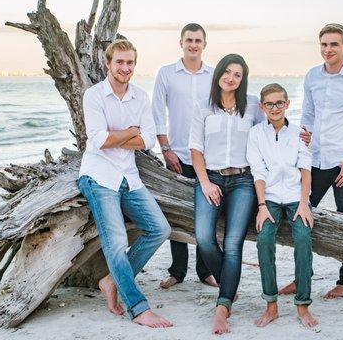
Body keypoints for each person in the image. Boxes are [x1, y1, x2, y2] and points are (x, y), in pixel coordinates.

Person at [77, 39, 173, 328]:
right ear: (108, 64)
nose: (125, 67)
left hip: (129, 177)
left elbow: (148, 140)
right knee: (116, 243)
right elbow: (98, 141)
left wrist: (120, 135)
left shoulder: (141, 98)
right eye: (119, 62)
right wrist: (131, 131)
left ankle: (110, 280)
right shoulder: (94, 96)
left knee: (160, 229)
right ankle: (139, 308)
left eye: (130, 62)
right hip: (98, 176)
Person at [278, 23, 343, 299]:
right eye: (324, 44)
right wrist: (302, 142)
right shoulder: (312, 77)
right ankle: (301, 277)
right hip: (315, 160)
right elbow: (307, 116)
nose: (328, 49)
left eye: (334, 44)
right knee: (301, 217)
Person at [189, 53, 265, 335]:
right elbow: (195, 149)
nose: (231, 78)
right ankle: (229, 284)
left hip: (243, 180)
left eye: (238, 74)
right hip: (210, 178)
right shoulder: (203, 107)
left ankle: (223, 307)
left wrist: (301, 136)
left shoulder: (253, 106)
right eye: (227, 72)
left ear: (242, 80)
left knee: (233, 244)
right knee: (204, 238)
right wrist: (206, 183)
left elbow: (273, 129)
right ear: (219, 72)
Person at [246, 83, 318, 329]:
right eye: (269, 104)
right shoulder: (256, 134)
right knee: (264, 238)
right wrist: (262, 205)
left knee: (303, 238)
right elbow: (258, 172)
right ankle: (271, 305)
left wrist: (305, 204)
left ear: (287, 104)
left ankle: (303, 305)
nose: (274, 108)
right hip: (271, 198)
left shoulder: (298, 133)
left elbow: (306, 170)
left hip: (296, 197)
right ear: (262, 107)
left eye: (279, 103)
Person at [152, 23, 217, 289]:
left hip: (207, 156)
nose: (193, 44)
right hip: (176, 154)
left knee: (207, 215)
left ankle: (205, 271)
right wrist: (165, 149)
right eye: (189, 40)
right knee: (176, 213)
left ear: (204, 44)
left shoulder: (214, 75)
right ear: (181, 43)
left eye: (198, 40)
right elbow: (157, 113)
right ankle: (177, 271)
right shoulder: (166, 74)